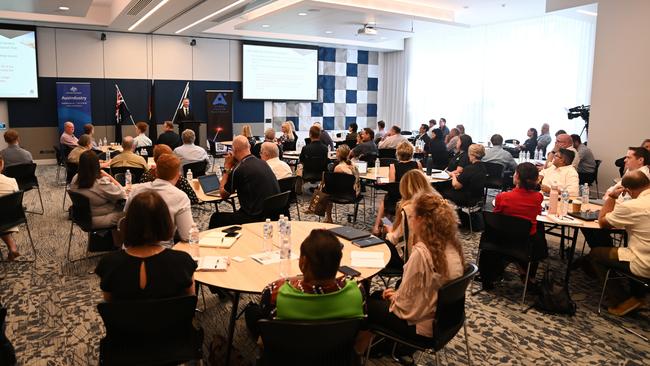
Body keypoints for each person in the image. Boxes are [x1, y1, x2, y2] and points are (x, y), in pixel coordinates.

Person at [363, 192, 464, 344]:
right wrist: (397, 294)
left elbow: (404, 308)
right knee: (381, 294)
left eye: (411, 217)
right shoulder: (453, 245)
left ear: (421, 220)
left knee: (365, 305)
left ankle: (358, 351)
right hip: (446, 321)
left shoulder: (422, 253)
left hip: (421, 327)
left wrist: (394, 296)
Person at [245, 229, 365, 334]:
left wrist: (294, 278)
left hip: (288, 354)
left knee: (252, 311)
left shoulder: (275, 292)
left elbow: (267, 330)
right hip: (337, 355)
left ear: (303, 262)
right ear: (338, 262)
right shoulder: (357, 290)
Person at [95, 190, 196, 301]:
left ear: (128, 222)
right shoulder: (183, 262)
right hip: (173, 318)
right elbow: (189, 303)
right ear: (165, 222)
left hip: (127, 318)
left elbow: (109, 306)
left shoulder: (108, 264)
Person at [588, 171, 650, 316]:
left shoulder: (632, 206)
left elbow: (603, 222)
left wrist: (612, 197)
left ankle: (623, 300)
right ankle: (638, 293)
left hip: (644, 261)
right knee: (614, 251)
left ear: (627, 190)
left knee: (596, 254)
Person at [479, 162, 547, 289]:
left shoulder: (503, 197)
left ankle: (491, 276)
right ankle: (527, 275)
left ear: (517, 177)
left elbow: (496, 217)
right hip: (525, 242)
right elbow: (537, 212)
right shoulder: (538, 197)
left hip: (500, 241)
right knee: (538, 233)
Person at [209, 136, 280, 228]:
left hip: (253, 218)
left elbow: (223, 194)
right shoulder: (262, 162)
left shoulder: (239, 169)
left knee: (216, 218)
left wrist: (227, 168)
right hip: (272, 214)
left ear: (233, 150)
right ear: (249, 147)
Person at [126, 154, 194, 242]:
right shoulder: (180, 197)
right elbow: (187, 236)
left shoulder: (136, 190)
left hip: (132, 245)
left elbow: (126, 216)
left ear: (156, 172)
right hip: (162, 248)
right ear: (178, 175)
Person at [383, 170, 437, 268]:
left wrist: (389, 232)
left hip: (413, 259)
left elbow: (396, 239)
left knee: (377, 244)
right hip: (435, 256)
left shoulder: (409, 209)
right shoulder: (438, 204)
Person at [372, 141, 422, 234]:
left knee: (384, 202)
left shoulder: (393, 166)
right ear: (411, 153)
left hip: (397, 199)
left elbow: (392, 184)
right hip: (414, 198)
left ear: (398, 153)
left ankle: (378, 226)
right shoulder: (417, 165)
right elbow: (420, 181)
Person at [70, 150, 126, 230]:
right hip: (97, 219)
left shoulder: (75, 178)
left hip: (81, 217)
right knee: (130, 213)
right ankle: (118, 241)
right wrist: (109, 176)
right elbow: (122, 193)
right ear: (97, 165)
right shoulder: (100, 183)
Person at [323, 145, 360, 223]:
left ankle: (328, 217)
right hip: (353, 194)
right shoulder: (353, 166)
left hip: (339, 194)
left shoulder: (338, 168)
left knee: (325, 190)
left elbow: (336, 184)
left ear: (338, 154)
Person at [0, 155, 21, 260]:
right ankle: (12, 246)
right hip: (11, 219)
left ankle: (11, 246)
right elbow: (16, 203)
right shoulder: (12, 181)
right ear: (1, 164)